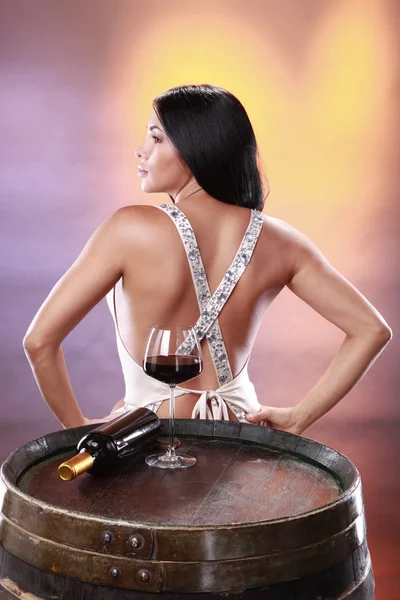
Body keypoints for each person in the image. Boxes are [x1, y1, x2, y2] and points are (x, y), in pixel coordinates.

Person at [23, 84, 392, 435]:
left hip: (150, 444)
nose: (141, 151)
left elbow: (39, 342)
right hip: (242, 441)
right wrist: (298, 418)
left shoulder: (128, 229)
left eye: (156, 137)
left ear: (193, 148)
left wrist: (81, 429)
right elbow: (371, 330)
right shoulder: (281, 241)